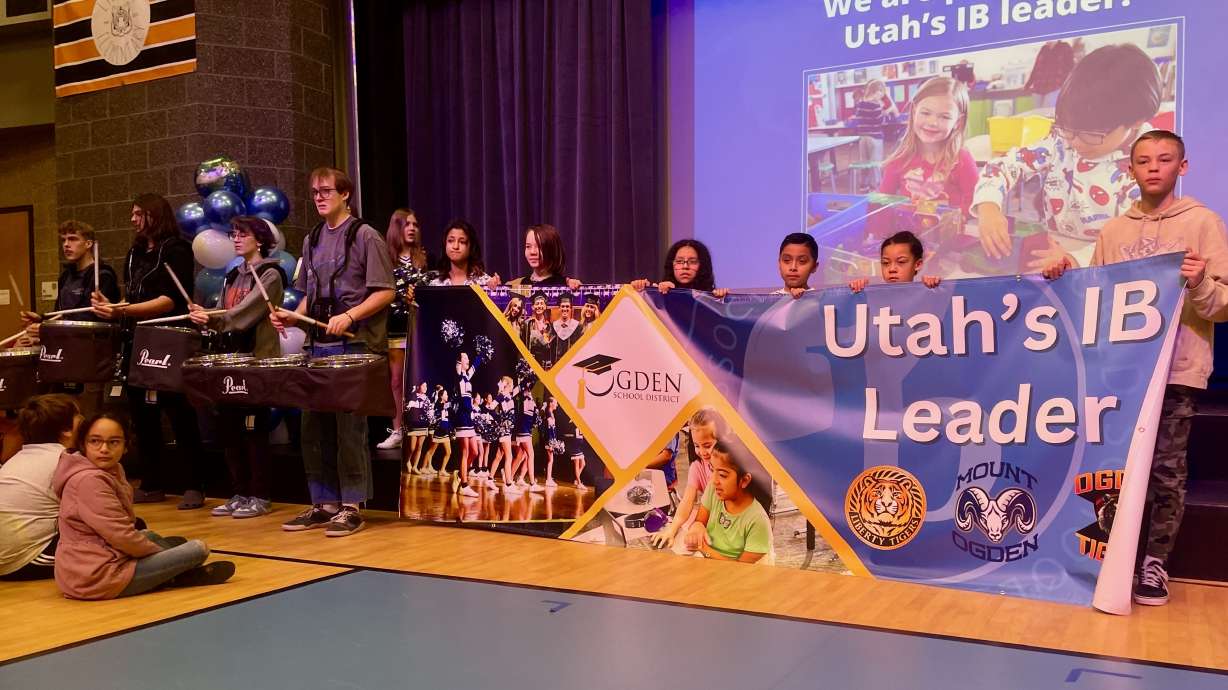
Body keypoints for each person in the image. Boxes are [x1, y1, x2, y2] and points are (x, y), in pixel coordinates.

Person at [1043, 130, 1228, 606]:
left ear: (1182, 167)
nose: (1153, 168)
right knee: (1113, 471)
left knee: (1166, 470)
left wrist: (1201, 282)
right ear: (1130, 170)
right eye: (1144, 161)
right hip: (1121, 374)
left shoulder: (1203, 222)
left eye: (1164, 160)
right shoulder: (1113, 231)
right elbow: (1095, 298)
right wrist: (1066, 272)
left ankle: (1154, 562)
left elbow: (1223, 305)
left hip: (1177, 371)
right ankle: (1112, 557)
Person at [272, 167, 395, 537]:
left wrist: (350, 315)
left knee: (348, 431)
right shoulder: (311, 239)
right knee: (314, 429)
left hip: (354, 346)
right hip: (318, 346)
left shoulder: (365, 235)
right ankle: (324, 504)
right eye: (314, 192)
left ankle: (351, 507)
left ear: (345, 194)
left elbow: (385, 290)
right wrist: (293, 316)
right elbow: (310, 297)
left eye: (326, 191)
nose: (319, 197)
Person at [975, 44, 1163, 271]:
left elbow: (1132, 237)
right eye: (1067, 129)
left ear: (1136, 121)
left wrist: (1076, 260)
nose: (1075, 142)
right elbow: (1005, 165)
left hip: (1104, 263)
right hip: (1055, 244)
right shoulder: (1062, 140)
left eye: (1091, 135)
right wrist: (988, 206)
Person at [91, 193, 206, 509]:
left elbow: (169, 301)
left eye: (139, 213)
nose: (133, 219)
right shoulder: (135, 252)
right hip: (137, 340)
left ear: (155, 215)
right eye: (132, 213)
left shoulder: (177, 249)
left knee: (179, 414)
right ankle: (153, 481)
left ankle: (194, 484)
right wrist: (113, 306)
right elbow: (133, 297)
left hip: (168, 340)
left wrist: (121, 311)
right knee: (143, 416)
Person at [53, 413, 235, 599]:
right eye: (95, 441)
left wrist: (162, 555)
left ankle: (168, 574)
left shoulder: (112, 470)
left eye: (113, 442)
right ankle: (174, 574)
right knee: (198, 549)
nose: (104, 449)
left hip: (92, 563)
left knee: (155, 537)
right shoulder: (89, 480)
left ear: (125, 446)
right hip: (95, 577)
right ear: (83, 444)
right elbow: (120, 535)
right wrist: (163, 557)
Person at [189, 216, 285, 520]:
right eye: (233, 234)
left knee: (253, 428)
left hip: (256, 360)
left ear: (260, 239)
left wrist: (213, 317)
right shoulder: (233, 275)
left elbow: (244, 314)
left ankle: (260, 495)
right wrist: (205, 315)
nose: (236, 239)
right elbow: (224, 311)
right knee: (229, 428)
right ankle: (240, 492)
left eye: (243, 234)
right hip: (230, 358)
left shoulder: (271, 274)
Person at [0, 395, 81, 581]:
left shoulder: (18, 457)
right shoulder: (67, 460)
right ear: (67, 430)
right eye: (78, 416)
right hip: (23, 561)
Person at [879, 77, 977, 215]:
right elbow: (882, 204)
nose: (932, 122)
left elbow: (975, 203)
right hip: (909, 229)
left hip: (951, 229)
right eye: (925, 113)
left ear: (957, 122)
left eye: (944, 117)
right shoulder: (899, 160)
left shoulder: (962, 159)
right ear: (914, 112)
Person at [378, 209, 432, 451]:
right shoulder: (385, 258)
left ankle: (424, 430)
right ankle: (398, 430)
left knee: (420, 379)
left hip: (420, 327)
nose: (411, 228)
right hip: (395, 327)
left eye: (415, 224)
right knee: (396, 380)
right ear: (396, 228)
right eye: (406, 224)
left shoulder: (425, 258)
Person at [21, 220, 121, 341]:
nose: (66, 244)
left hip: (92, 345)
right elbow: (61, 314)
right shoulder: (65, 276)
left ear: (88, 244)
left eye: (72, 239)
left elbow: (89, 320)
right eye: (63, 240)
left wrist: (47, 328)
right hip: (67, 343)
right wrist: (41, 319)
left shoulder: (102, 276)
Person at [682, 437, 771, 563]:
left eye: (722, 475)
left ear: (744, 480)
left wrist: (704, 549)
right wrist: (697, 526)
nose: (714, 480)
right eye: (712, 470)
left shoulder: (758, 520)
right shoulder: (714, 490)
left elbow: (740, 569)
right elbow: (700, 520)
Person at [651, 407, 725, 549]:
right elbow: (687, 501)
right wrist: (672, 529)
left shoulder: (731, 467)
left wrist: (700, 524)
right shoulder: (697, 467)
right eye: (697, 445)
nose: (702, 452)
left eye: (707, 445)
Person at [631, 239, 729, 298]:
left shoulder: (712, 298)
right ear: (671, 265)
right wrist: (643, 291)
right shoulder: (658, 292)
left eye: (692, 262)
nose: (685, 266)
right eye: (679, 261)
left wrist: (723, 300)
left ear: (702, 266)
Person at [848, 230, 942, 292]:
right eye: (886, 263)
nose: (892, 269)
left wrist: (935, 288)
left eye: (901, 262)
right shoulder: (870, 294)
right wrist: (858, 293)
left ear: (918, 264)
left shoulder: (928, 292)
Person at [506, 224, 582, 290]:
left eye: (539, 246)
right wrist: (498, 290)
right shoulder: (515, 285)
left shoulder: (567, 285)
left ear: (552, 250)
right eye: (528, 246)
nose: (532, 252)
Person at [428, 219, 497, 287]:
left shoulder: (485, 283)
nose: (455, 246)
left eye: (462, 242)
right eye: (451, 241)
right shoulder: (435, 285)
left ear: (471, 247)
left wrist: (497, 290)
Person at [849, 78, 899, 168]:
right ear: (877, 92)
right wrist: (887, 112)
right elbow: (881, 121)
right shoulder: (875, 105)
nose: (881, 97)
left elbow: (865, 118)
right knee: (876, 164)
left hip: (862, 138)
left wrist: (881, 112)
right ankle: (875, 178)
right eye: (881, 94)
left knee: (864, 163)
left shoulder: (860, 104)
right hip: (874, 138)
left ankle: (865, 177)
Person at [774, 233, 819, 299]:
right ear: (779, 263)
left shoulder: (821, 299)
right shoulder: (768, 301)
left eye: (802, 261)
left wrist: (805, 298)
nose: (793, 267)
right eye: (786, 260)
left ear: (814, 267)